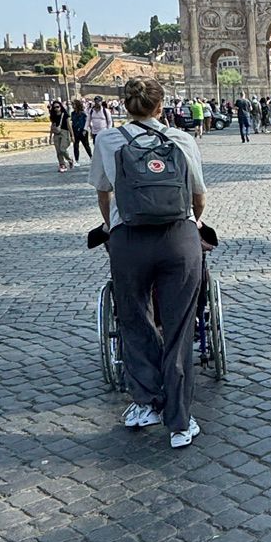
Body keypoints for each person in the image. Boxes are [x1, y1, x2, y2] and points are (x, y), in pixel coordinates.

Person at [93, 76, 208, 450]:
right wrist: (196, 221)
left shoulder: (107, 140)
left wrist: (113, 227)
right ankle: (179, 421)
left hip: (130, 240)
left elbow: (103, 192)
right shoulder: (181, 140)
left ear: (125, 106)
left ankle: (145, 404)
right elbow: (198, 196)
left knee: (134, 319)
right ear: (161, 107)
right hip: (178, 239)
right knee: (178, 329)